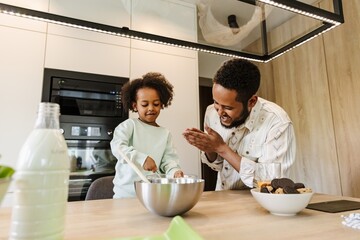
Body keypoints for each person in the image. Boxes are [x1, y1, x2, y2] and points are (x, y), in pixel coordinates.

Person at [183, 58, 296, 190]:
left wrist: (222, 148)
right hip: (223, 197)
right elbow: (218, 166)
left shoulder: (277, 122)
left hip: (259, 204)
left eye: (228, 108)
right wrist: (209, 148)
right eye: (216, 103)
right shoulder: (211, 112)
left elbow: (273, 181)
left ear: (252, 102)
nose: (219, 112)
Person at [111, 72, 184, 198]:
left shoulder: (165, 133)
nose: (151, 108)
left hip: (153, 196)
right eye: (145, 104)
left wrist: (174, 172)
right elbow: (118, 147)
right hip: (125, 196)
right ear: (135, 105)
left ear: (162, 104)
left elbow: (169, 161)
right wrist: (142, 159)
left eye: (156, 104)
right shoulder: (128, 126)